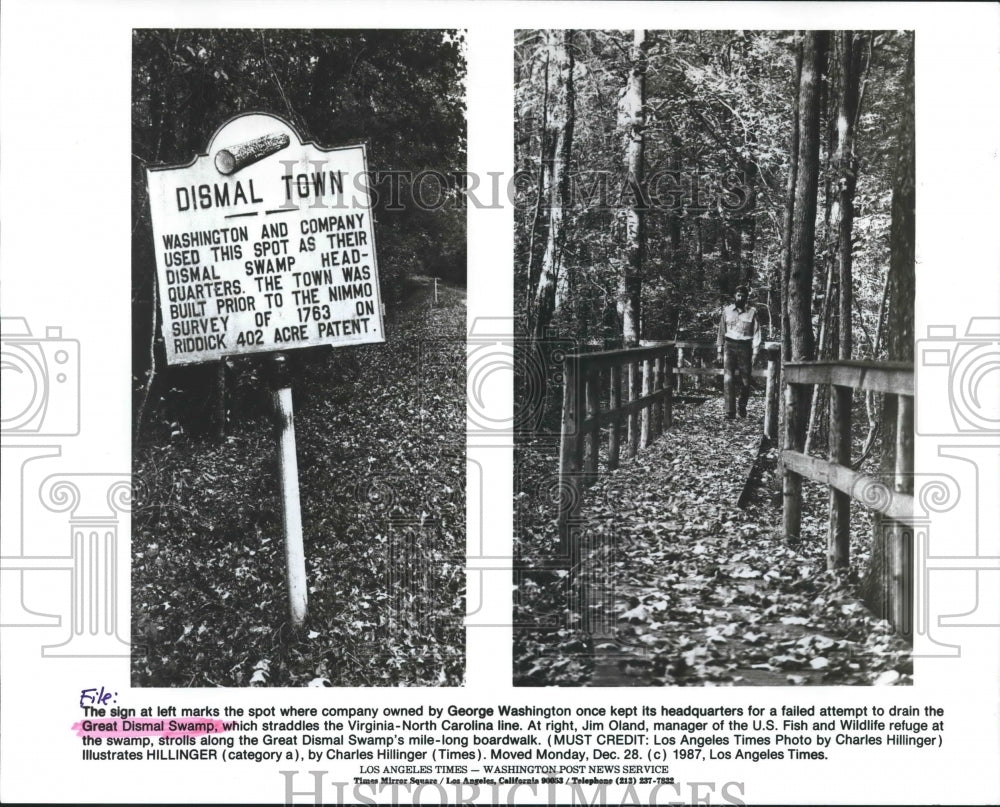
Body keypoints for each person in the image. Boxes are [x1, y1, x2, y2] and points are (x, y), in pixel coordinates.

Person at [716, 285, 761, 420]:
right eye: (738, 295)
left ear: (746, 297)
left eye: (743, 295)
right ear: (734, 296)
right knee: (728, 378)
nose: (740, 298)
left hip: (745, 347)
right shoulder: (727, 311)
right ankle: (730, 412)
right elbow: (721, 331)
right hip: (729, 346)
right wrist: (719, 350)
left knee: (746, 380)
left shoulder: (752, 312)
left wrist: (755, 352)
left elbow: (757, 332)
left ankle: (742, 406)